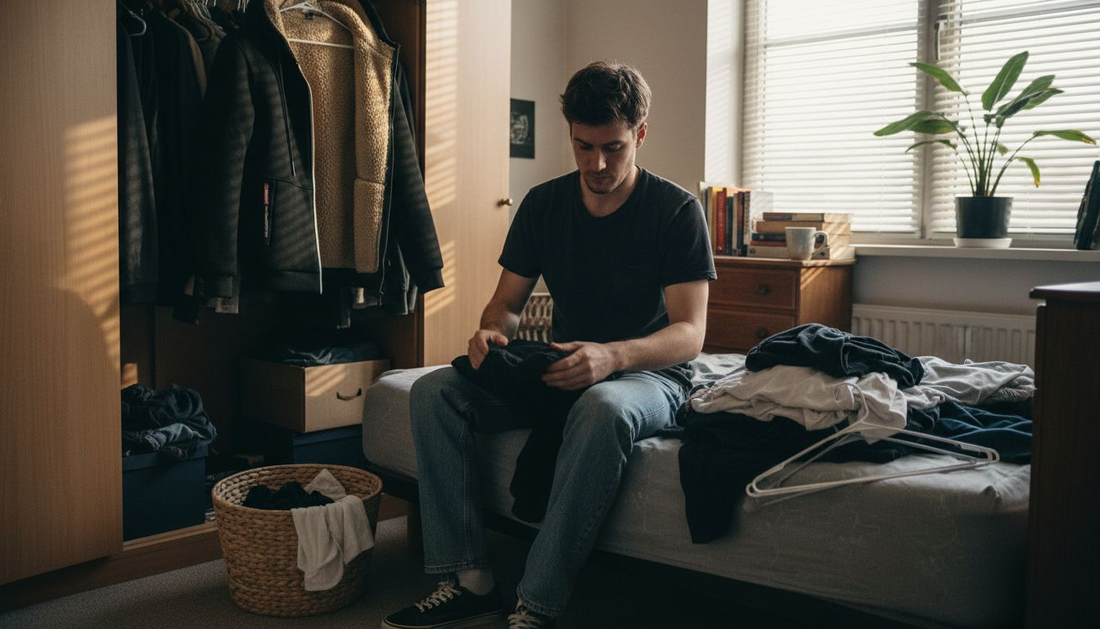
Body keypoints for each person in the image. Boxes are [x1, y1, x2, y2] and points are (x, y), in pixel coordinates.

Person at [382, 61, 715, 629]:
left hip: (651, 375)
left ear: (640, 133)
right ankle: (468, 578)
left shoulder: (676, 210)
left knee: (602, 406)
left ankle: (537, 601)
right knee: (433, 390)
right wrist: (492, 334)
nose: (597, 164)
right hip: (565, 364)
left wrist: (613, 356)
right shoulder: (543, 204)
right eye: (583, 147)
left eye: (612, 147)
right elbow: (507, 305)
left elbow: (690, 333)